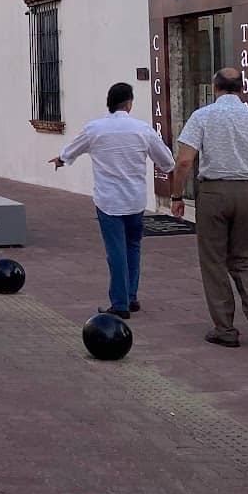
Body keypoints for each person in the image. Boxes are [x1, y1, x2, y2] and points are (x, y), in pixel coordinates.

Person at [51, 81, 175, 321]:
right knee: (133, 246)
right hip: (135, 199)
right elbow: (167, 161)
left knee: (115, 250)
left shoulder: (95, 129)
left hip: (108, 200)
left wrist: (61, 160)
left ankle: (119, 303)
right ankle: (131, 296)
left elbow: (71, 150)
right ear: (129, 104)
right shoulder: (142, 129)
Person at [169, 67, 248, 347]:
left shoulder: (203, 116)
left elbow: (184, 161)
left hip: (214, 191)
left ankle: (225, 328)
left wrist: (177, 196)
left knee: (214, 261)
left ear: (215, 87)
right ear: (242, 88)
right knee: (244, 257)